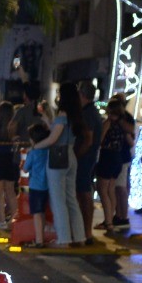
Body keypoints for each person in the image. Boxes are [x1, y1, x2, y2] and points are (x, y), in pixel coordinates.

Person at [32, 91, 84, 247]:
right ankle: (79, 236)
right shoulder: (75, 117)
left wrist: (36, 146)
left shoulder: (62, 116)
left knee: (58, 200)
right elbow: (59, 133)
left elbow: (53, 138)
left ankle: (64, 239)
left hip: (57, 157)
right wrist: (49, 121)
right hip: (70, 155)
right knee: (71, 199)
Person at [95, 94, 136, 233]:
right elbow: (131, 138)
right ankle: (110, 220)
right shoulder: (122, 125)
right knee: (111, 189)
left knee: (102, 189)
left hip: (107, 156)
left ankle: (108, 221)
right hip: (118, 157)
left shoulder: (108, 123)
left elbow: (100, 140)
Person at [71, 82, 104, 245]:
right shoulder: (91, 112)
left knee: (83, 194)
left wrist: (76, 156)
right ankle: (85, 232)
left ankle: (85, 232)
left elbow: (88, 139)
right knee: (83, 193)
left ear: (82, 95)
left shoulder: (88, 114)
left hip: (84, 159)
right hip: (88, 158)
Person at [0, 102, 21, 226]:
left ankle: (1, 220)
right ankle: (14, 219)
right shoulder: (14, 126)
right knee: (10, 190)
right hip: (10, 157)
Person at [23, 120, 51, 248]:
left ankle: (39, 240)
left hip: (35, 186)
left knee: (37, 214)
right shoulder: (48, 151)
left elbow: (25, 168)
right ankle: (42, 237)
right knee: (43, 213)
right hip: (47, 185)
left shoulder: (33, 153)